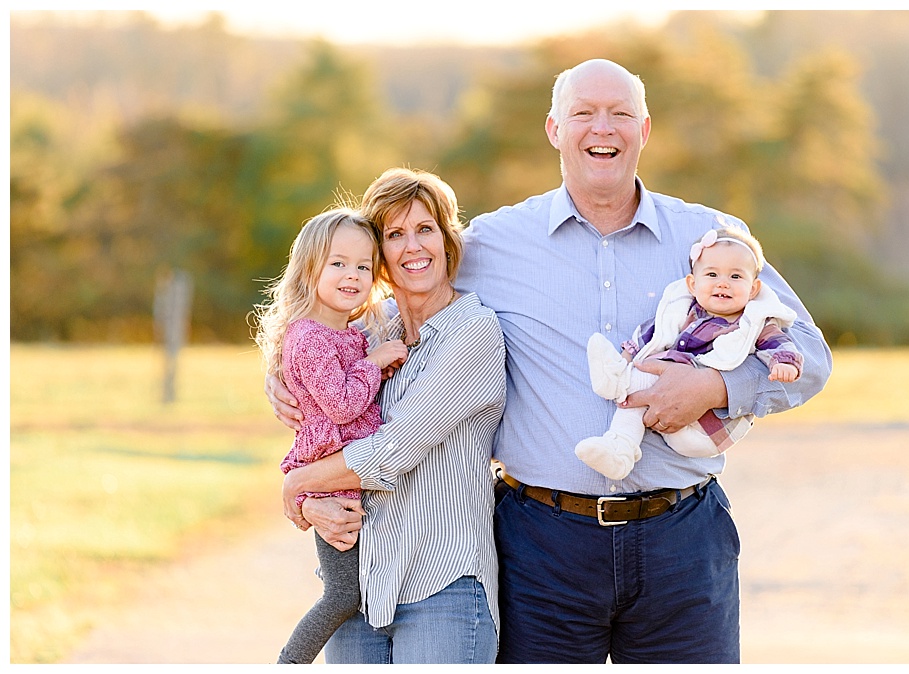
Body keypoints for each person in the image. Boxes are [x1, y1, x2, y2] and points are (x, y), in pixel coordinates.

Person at [453, 58, 832, 663]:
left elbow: (810, 355)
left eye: (620, 114)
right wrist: (289, 368)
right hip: (540, 547)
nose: (602, 128)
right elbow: (385, 308)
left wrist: (715, 387)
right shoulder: (491, 244)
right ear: (554, 129)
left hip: (683, 541)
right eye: (583, 113)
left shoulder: (712, 238)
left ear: (644, 130)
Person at [267, 168, 506, 664]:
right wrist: (274, 376)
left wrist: (296, 484)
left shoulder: (472, 332)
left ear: (447, 239)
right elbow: (320, 402)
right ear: (380, 257)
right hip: (362, 586)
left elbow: (391, 450)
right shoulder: (373, 329)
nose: (412, 246)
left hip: (441, 585)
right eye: (395, 234)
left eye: (426, 229)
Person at [252, 208, 409, 664]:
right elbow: (341, 404)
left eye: (363, 266)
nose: (352, 275)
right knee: (343, 595)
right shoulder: (310, 337)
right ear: (309, 268)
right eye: (338, 263)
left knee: (360, 586)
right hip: (333, 482)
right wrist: (375, 363)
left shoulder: (348, 332)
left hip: (350, 477)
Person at [576, 225, 803, 479]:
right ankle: (619, 447)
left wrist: (784, 363)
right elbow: (648, 336)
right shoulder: (682, 311)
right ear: (693, 284)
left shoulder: (752, 322)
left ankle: (615, 387)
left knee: (642, 380)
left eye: (736, 277)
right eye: (712, 274)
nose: (723, 284)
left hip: (708, 426)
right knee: (642, 378)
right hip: (670, 417)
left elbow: (778, 343)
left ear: (753, 289)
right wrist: (627, 357)